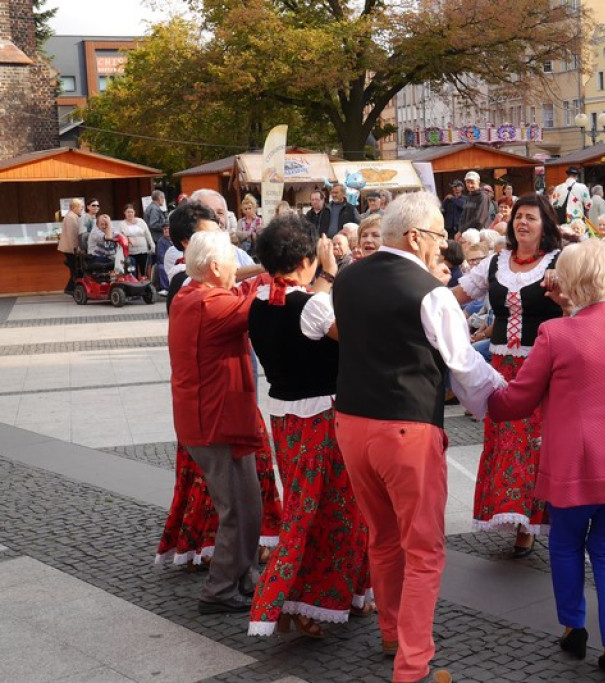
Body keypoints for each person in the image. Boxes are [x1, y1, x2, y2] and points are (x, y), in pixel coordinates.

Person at [333, 191, 504, 683]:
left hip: (351, 422)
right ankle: (413, 663)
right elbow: (464, 365)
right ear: (415, 237)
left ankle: (392, 632)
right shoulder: (428, 291)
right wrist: (501, 399)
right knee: (424, 548)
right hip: (406, 426)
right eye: (437, 238)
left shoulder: (346, 278)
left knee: (382, 537)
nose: (441, 248)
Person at [488, 238, 605, 682]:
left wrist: (481, 389)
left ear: (567, 283)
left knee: (566, 545)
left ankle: (573, 627)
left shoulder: (556, 333)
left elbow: (517, 400)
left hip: (576, 464)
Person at [247, 214, 372, 637]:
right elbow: (356, 339)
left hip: (284, 417)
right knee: (333, 511)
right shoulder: (312, 304)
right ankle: (296, 600)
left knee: (309, 508)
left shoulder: (260, 300)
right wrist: (333, 277)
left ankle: (333, 595)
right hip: (322, 418)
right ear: (304, 260)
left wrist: (325, 279)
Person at [451, 194, 564, 556]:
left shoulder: (560, 261)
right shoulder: (495, 262)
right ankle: (510, 513)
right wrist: (420, 299)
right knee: (504, 441)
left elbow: (585, 298)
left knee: (535, 444)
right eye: (518, 217)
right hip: (501, 367)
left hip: (541, 366)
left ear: (545, 224)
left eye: (531, 217)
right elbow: (459, 293)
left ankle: (530, 521)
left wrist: (563, 283)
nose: (522, 223)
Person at [168, 229, 268, 614]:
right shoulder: (210, 305)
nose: (237, 268)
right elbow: (254, 302)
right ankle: (219, 590)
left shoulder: (193, 292)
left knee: (248, 505)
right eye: (233, 261)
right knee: (237, 510)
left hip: (215, 418)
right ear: (214, 267)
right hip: (213, 423)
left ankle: (242, 577)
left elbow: (241, 286)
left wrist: (261, 268)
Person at [122, 203, 156, 278]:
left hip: (143, 250)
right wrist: (128, 239)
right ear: (124, 213)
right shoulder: (122, 224)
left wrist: (152, 245)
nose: (130, 214)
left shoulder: (141, 221)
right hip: (130, 252)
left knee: (144, 271)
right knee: (133, 271)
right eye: (128, 212)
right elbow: (122, 236)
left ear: (134, 212)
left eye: (131, 212)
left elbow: (148, 234)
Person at [58, 198, 84, 294]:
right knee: (75, 269)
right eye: (81, 207)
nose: (82, 209)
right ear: (74, 207)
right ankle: (70, 288)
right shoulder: (71, 217)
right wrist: (76, 250)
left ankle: (71, 288)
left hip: (70, 249)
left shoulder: (72, 216)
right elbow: (72, 235)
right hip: (71, 249)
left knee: (75, 269)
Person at [459, 171, 495, 235]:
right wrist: (460, 231)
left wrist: (464, 231)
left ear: (478, 182)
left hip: (478, 233)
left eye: (472, 182)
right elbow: (463, 216)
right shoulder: (469, 196)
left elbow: (479, 220)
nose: (470, 185)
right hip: (467, 233)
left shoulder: (483, 197)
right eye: (468, 182)